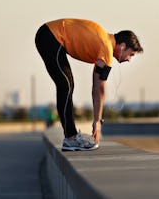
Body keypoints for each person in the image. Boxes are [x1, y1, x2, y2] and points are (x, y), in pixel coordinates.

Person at [35, 18, 143, 151]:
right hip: (50, 36)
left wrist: (97, 120)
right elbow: (99, 89)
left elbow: (95, 87)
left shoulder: (104, 43)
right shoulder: (107, 48)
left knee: (67, 85)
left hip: (49, 35)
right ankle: (70, 138)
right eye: (130, 54)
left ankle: (70, 136)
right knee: (66, 85)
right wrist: (97, 122)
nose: (129, 59)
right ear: (122, 46)